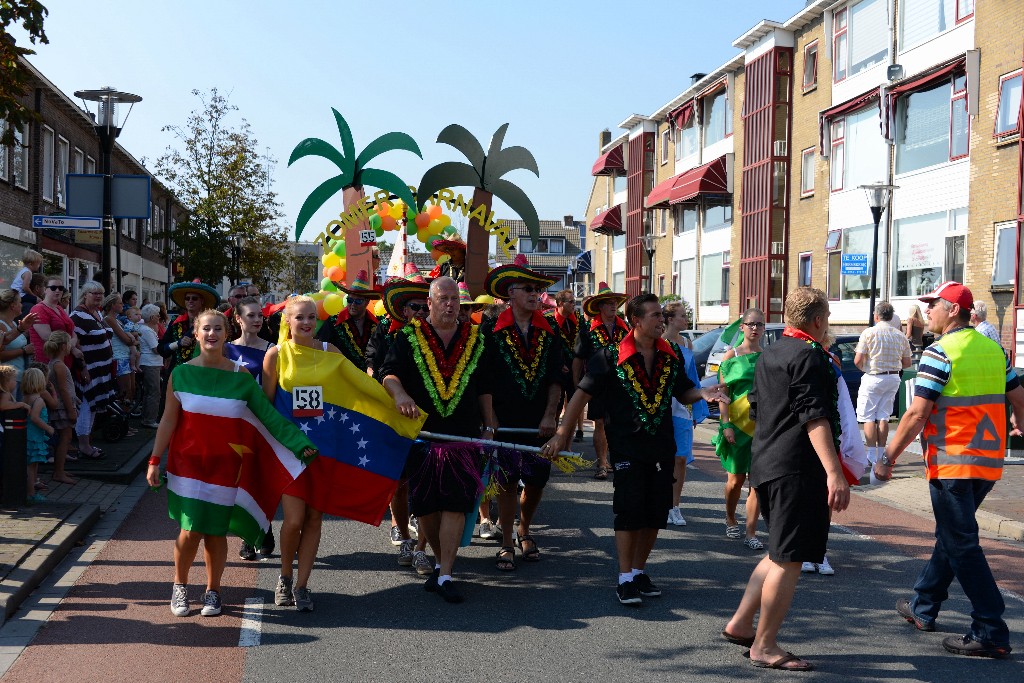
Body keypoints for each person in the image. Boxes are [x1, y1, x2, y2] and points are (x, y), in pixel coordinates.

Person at [544, 293, 727, 605]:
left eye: (663, 316)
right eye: (656, 315)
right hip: (627, 446)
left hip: (661, 446)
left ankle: (640, 571)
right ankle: (624, 577)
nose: (662, 321)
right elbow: (581, 395)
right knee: (629, 511)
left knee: (655, 513)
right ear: (637, 321)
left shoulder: (670, 355)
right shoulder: (609, 355)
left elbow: (683, 392)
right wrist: (562, 432)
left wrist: (704, 393)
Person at [876, 281, 1024, 659]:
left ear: (953, 310)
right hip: (988, 463)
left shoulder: (939, 352)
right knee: (953, 535)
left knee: (960, 542)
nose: (928, 311)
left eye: (933, 305)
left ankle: (991, 629)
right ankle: (924, 606)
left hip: (952, 462)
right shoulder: (995, 351)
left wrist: (888, 458)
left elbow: (916, 413)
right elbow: (1019, 399)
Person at [147, 308, 317, 619]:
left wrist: (298, 443)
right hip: (187, 466)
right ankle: (180, 585)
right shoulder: (181, 373)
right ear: (196, 335)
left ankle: (213, 590)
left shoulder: (241, 377)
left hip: (226, 466)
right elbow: (168, 420)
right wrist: (155, 460)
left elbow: (268, 417)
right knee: (190, 530)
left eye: (217, 329)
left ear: (226, 334)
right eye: (206, 329)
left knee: (215, 532)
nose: (211, 334)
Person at [723, 287, 850, 672]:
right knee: (789, 559)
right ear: (817, 320)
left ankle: (742, 624)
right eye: (826, 317)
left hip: (766, 462)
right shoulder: (809, 356)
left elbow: (758, 407)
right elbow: (815, 416)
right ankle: (764, 645)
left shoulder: (771, 352)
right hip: (795, 468)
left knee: (778, 551)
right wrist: (834, 472)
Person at [381, 277, 493, 604]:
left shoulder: (476, 338)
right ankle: (440, 566)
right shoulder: (407, 337)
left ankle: (445, 572)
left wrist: (489, 426)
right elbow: (389, 373)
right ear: (429, 303)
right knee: (426, 508)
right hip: (423, 437)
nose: (449, 305)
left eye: (454, 300)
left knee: (455, 504)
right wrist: (400, 394)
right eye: (442, 299)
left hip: (463, 436)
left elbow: (485, 386)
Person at [479, 256, 561, 570]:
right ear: (510, 294)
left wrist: (550, 415)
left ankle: (525, 528)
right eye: (528, 288)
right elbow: (483, 379)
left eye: (538, 289)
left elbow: (557, 376)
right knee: (507, 482)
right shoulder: (491, 330)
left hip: (539, 420)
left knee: (537, 481)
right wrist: (490, 420)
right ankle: (506, 543)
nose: (535, 294)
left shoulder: (550, 329)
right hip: (504, 418)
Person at [263, 296, 344, 612]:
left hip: (324, 452)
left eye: (312, 317)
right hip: (290, 452)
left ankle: (302, 585)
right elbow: (266, 407)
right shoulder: (276, 356)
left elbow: (352, 393)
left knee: (314, 518)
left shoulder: (331, 353)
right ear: (287, 321)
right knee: (294, 520)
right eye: (300, 318)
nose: (307, 323)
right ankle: (284, 576)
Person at [369, 268, 431, 570]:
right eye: (415, 306)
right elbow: (375, 367)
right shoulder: (386, 333)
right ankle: (403, 532)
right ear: (404, 309)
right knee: (400, 478)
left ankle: (420, 540)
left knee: (426, 480)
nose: (421, 311)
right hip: (395, 413)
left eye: (425, 305)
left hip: (431, 418)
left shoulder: (439, 335)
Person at [227, 296, 277, 562]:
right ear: (238, 319)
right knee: (238, 482)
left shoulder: (272, 349)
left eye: (260, 316)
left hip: (260, 422)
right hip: (232, 424)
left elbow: (271, 392)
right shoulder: (224, 350)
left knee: (260, 480)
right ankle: (248, 536)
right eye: (251, 316)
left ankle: (265, 530)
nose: (257, 320)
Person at [712, 308, 766, 551]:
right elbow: (723, 393)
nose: (755, 328)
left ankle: (751, 531)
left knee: (757, 482)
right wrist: (726, 425)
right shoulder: (731, 356)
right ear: (742, 326)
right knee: (736, 481)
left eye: (760, 324)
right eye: (751, 324)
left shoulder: (768, 356)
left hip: (763, 428)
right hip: (737, 426)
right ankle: (730, 517)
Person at [574, 282, 629, 480]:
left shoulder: (625, 329)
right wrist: (576, 385)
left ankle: (614, 460)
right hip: (596, 384)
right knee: (599, 423)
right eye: (608, 303)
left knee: (617, 423)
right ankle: (601, 463)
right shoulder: (587, 330)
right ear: (600, 307)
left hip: (621, 384)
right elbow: (578, 359)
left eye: (615, 303)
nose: (613, 306)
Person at [663, 301, 707, 526]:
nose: (686, 320)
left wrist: (697, 407)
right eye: (682, 316)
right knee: (661, 457)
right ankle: (660, 502)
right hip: (661, 404)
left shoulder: (688, 343)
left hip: (682, 405)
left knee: (680, 457)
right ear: (670, 319)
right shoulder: (660, 342)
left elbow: (693, 378)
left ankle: (674, 506)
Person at [854, 301, 912, 470]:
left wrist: (866, 368)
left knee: (868, 417)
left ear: (877, 316)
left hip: (873, 376)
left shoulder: (869, 333)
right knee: (884, 416)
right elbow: (907, 362)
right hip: (893, 377)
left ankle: (871, 455)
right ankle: (881, 453)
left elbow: (858, 360)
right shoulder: (900, 335)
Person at [71, 281, 118, 459]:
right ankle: (83, 445)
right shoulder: (77, 316)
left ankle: (87, 442)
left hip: (101, 371)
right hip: (89, 370)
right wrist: (83, 368)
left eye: (101, 293)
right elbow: (75, 345)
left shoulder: (97, 313)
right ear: (85, 294)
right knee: (86, 406)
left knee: (93, 407)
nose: (98, 296)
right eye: (94, 293)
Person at [315, 269, 379, 372]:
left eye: (358, 301)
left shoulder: (376, 325)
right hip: (341, 378)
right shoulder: (333, 323)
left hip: (369, 381)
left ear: (367, 302)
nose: (353, 305)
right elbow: (320, 349)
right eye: (350, 300)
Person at [545, 289, 585, 443]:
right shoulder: (549, 320)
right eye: (571, 302)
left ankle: (566, 445)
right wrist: (559, 364)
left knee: (573, 407)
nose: (574, 305)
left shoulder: (578, 320)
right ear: (560, 304)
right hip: (557, 370)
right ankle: (550, 441)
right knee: (555, 407)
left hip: (575, 369)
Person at [159, 281, 221, 378]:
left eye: (194, 298)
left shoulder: (211, 323)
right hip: (177, 375)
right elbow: (162, 349)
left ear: (202, 301)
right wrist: (178, 343)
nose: (190, 301)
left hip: (202, 374)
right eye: (187, 298)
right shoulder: (176, 322)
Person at [44, 331, 79, 485]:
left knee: (65, 438)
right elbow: (63, 389)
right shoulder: (60, 366)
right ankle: (58, 472)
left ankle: (60, 469)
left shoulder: (54, 363)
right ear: (64, 346)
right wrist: (71, 409)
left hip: (62, 405)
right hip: (63, 407)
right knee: (65, 438)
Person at [21, 367, 54, 504]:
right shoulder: (39, 400)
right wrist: (48, 428)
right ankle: (31, 494)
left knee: (32, 464)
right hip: (34, 436)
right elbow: (35, 417)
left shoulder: (26, 397)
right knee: (31, 466)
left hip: (29, 434)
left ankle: (33, 487)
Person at [102, 293, 139, 407]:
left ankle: (125, 418)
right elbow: (126, 339)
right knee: (125, 392)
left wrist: (131, 338)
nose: (123, 305)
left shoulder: (117, 319)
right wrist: (133, 339)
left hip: (126, 356)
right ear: (113, 305)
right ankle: (123, 420)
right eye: (120, 303)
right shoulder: (109, 319)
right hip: (119, 357)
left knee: (132, 389)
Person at [0, 289, 37, 396]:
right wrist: (24, 350)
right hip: (8, 380)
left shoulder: (13, 323)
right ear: (12, 306)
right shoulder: (1, 324)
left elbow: (11, 339)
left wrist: (26, 330)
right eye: (20, 302)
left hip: (19, 376)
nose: (22, 305)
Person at [137, 304, 164, 428]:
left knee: (150, 392)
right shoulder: (147, 330)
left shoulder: (144, 328)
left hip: (150, 362)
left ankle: (147, 417)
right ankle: (150, 419)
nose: (159, 317)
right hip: (151, 363)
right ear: (152, 317)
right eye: (158, 315)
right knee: (154, 392)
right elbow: (156, 349)